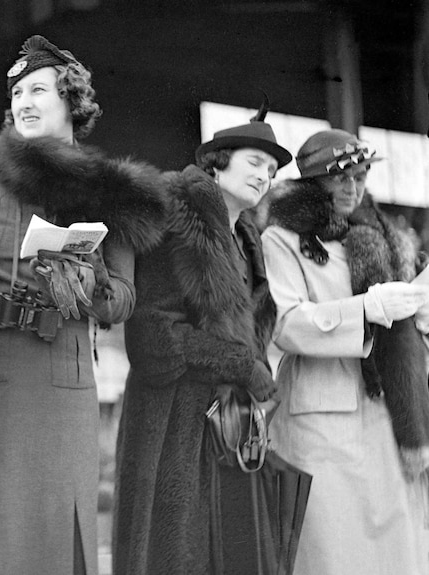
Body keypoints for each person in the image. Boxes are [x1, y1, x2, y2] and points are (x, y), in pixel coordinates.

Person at [0, 35, 167, 575]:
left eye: (38, 89)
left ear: (72, 100)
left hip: (62, 373)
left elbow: (124, 300)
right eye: (16, 92)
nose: (24, 101)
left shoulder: (110, 188)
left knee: (55, 537)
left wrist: (83, 282)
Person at [112, 104, 292, 574]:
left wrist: (251, 370)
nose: (264, 177)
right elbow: (153, 335)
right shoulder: (178, 215)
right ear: (218, 160)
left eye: (272, 171)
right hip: (172, 423)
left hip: (226, 426)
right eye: (255, 162)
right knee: (175, 555)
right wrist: (243, 366)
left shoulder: (245, 239)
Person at [261, 129, 429, 574]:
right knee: (329, 550)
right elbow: (286, 324)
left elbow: (404, 336)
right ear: (314, 182)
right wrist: (367, 309)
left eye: (361, 175)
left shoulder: (383, 238)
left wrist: (418, 312)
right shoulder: (282, 238)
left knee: (392, 546)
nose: (353, 187)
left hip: (383, 411)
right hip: (319, 415)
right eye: (341, 178)